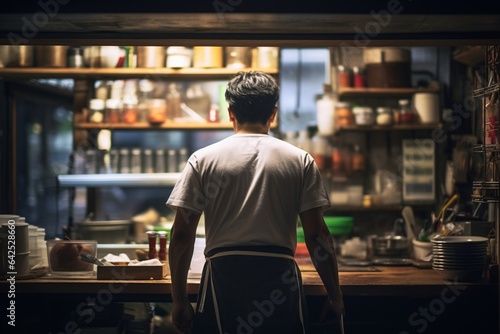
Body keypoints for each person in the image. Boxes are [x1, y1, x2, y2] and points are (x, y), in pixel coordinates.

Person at [166, 71, 344, 334]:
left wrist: (179, 300)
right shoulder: (300, 160)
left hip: (223, 277)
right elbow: (317, 235)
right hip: (279, 277)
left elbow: (181, 234)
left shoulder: (202, 160)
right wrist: (335, 296)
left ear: (230, 113)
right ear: (273, 113)